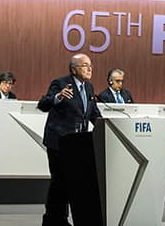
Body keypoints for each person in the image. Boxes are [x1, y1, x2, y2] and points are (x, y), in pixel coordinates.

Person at [37, 53, 101, 226]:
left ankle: (63, 218)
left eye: (90, 65)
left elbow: (93, 113)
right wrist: (58, 97)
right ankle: (54, 218)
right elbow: (43, 104)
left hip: (79, 144)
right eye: (85, 65)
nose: (89, 68)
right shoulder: (60, 83)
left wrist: (105, 127)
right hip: (59, 142)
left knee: (73, 181)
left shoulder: (89, 88)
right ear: (74, 69)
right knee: (59, 180)